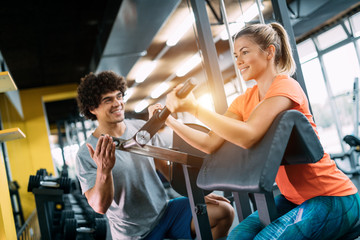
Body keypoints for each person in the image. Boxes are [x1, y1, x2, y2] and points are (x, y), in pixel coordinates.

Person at [164, 22, 360, 239]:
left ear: (269, 52)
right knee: (237, 236)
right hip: (293, 198)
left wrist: (194, 108)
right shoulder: (243, 100)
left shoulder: (285, 86)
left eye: (244, 52)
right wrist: (171, 121)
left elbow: (249, 134)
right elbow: (209, 143)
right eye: (236, 54)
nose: (238, 61)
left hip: (332, 196)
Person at [75, 71, 234, 240]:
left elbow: (164, 166)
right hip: (134, 233)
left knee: (224, 212)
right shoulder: (86, 153)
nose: (117, 103)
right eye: (108, 100)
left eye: (119, 96)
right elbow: (100, 206)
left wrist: (196, 193)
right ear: (92, 108)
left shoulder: (141, 127)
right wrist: (104, 172)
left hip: (166, 213)